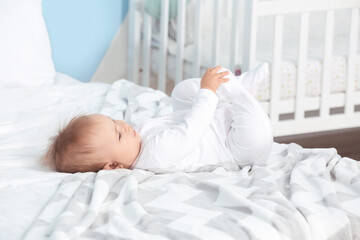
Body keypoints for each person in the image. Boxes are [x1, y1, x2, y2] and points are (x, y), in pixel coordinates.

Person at [43, 64, 273, 173]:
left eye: (114, 121)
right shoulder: (156, 155)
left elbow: (176, 119)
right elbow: (192, 127)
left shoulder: (137, 143)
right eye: (119, 133)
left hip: (215, 125)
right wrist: (206, 92)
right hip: (233, 149)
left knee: (180, 92)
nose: (123, 124)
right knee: (258, 136)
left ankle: (232, 88)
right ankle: (236, 92)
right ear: (113, 165)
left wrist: (204, 98)